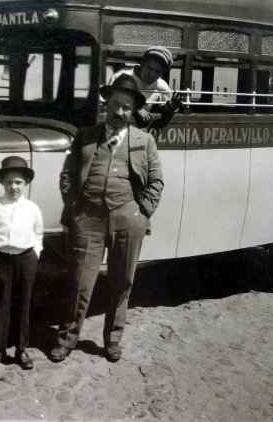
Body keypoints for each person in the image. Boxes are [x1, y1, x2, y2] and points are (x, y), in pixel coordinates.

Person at [51, 74, 164, 363]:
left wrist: (143, 212)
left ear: (133, 111)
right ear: (106, 105)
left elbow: (156, 181)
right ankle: (66, 339)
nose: (119, 112)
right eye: (114, 104)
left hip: (129, 218)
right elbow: (67, 177)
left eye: (126, 107)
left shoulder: (145, 140)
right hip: (88, 218)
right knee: (80, 281)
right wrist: (76, 209)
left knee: (121, 282)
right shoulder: (85, 136)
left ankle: (112, 340)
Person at [0, 156, 44, 370]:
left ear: (25, 183)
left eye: (18, 182)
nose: (13, 187)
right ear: (2, 184)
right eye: (9, 182)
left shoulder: (32, 208)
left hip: (25, 259)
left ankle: (21, 349)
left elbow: (38, 233)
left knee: (22, 303)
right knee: (2, 303)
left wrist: (36, 252)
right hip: (1, 260)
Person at [109, 46, 181, 129]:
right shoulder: (122, 77)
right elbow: (109, 103)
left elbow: (164, 109)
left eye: (157, 72)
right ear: (142, 64)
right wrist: (137, 109)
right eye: (149, 68)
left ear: (162, 74)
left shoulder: (161, 86)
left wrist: (170, 108)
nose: (151, 74)